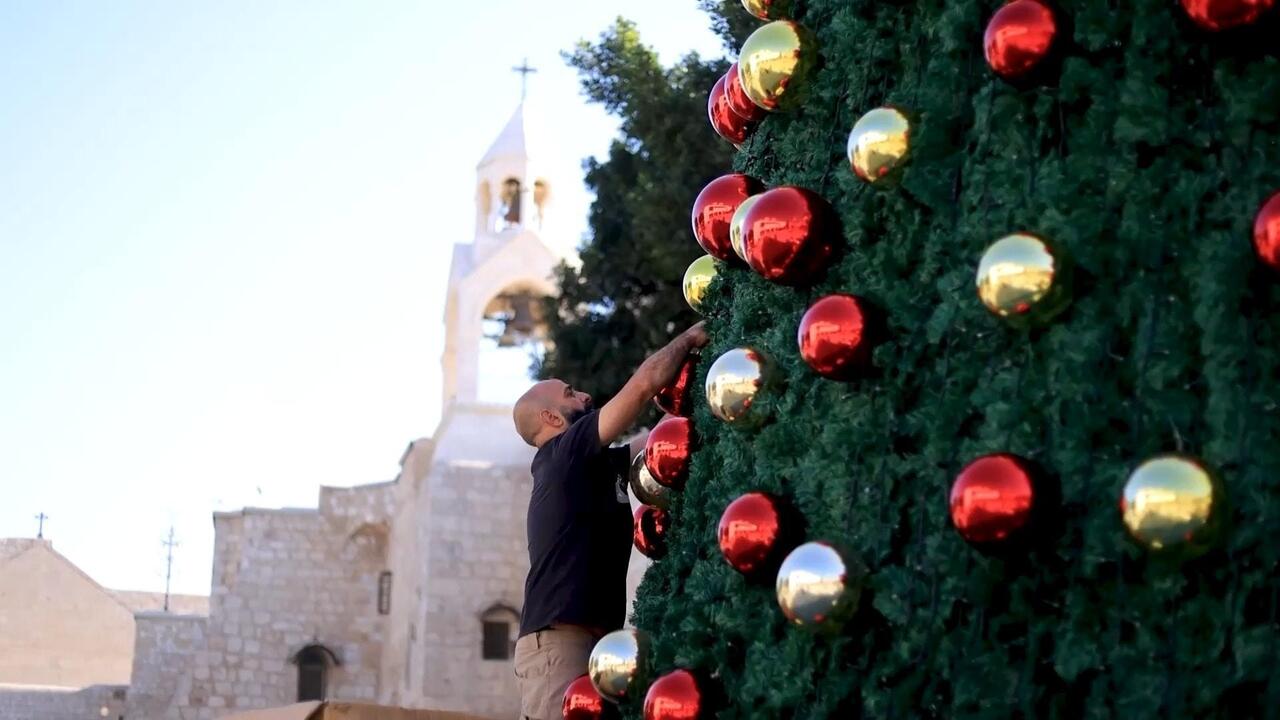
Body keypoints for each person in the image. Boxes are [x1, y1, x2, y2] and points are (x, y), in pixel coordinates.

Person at [509, 321, 708, 720]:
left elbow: (657, 439)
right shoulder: (564, 454)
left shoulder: (589, 464)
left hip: (594, 643)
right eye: (570, 393)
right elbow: (641, 387)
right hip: (560, 645)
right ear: (551, 417)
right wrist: (689, 339)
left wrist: (696, 392)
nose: (584, 394)